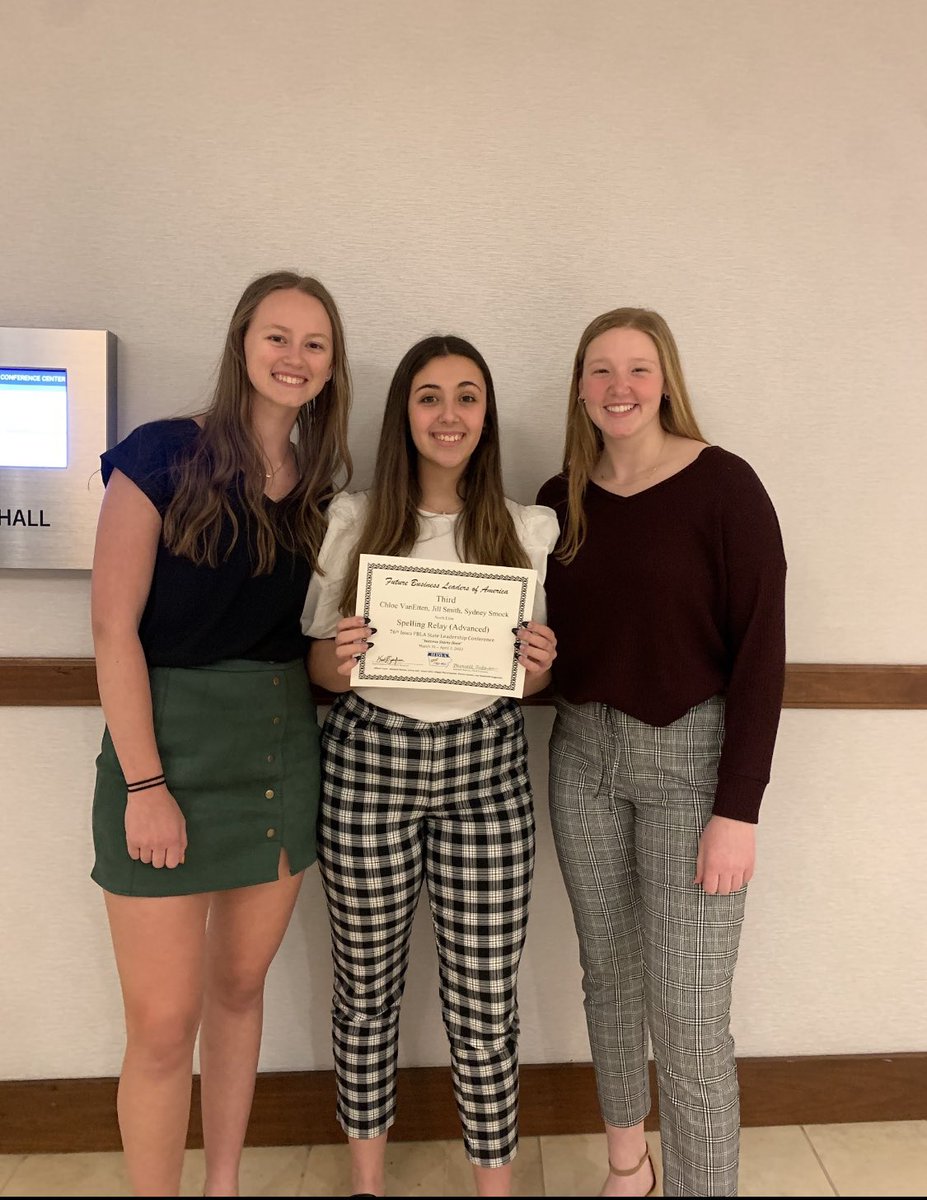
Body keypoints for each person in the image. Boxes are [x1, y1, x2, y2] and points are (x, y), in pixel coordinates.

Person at [89, 270, 352, 1197]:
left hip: (280, 756)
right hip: (164, 759)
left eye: (313, 344)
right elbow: (111, 629)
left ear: (331, 367)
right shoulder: (160, 454)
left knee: (239, 995)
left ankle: (224, 1185)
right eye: (276, 337)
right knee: (163, 1028)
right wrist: (147, 787)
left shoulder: (325, 490)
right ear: (242, 343)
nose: (294, 358)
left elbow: (313, 648)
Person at [536, 308, 786, 1198]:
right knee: (607, 980)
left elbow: (761, 650)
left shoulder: (725, 487)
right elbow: (533, 658)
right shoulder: (552, 501)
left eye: (637, 368)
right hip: (582, 762)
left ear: (666, 379)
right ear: (578, 387)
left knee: (686, 1019)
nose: (619, 387)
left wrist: (738, 808)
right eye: (599, 370)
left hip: (694, 765)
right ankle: (627, 1170)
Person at [302, 335, 559, 1198]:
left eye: (466, 396)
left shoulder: (523, 528)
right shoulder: (354, 519)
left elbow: (528, 683)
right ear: (402, 413)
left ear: (486, 416)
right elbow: (317, 672)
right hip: (368, 766)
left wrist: (538, 661)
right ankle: (366, 1184)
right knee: (364, 991)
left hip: (485, 774)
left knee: (485, 1004)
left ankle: (495, 1189)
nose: (447, 414)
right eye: (428, 397)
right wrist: (342, 655)